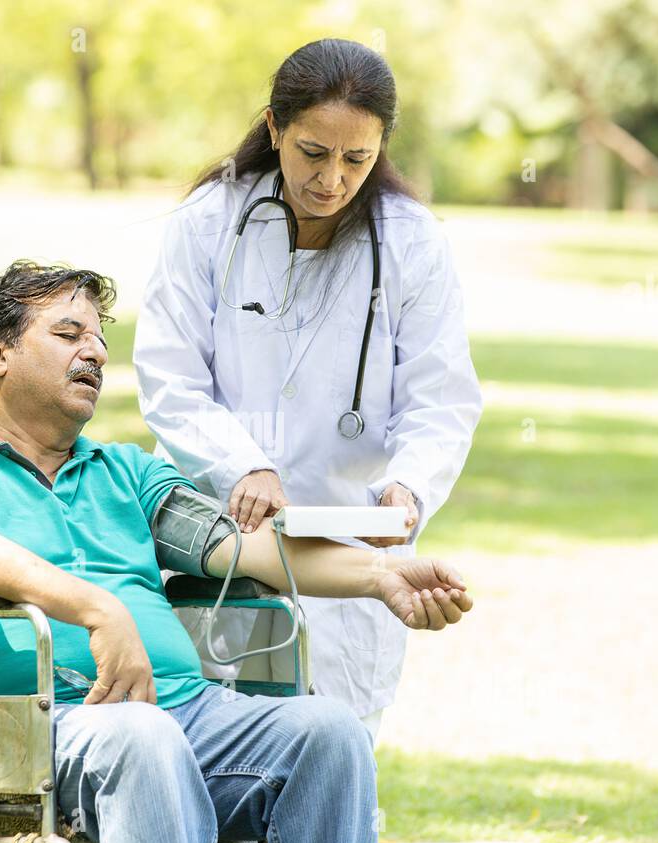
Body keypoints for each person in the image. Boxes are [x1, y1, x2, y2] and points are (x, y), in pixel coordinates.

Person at [0, 260, 474, 843]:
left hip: (181, 713)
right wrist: (95, 608)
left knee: (330, 733)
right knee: (141, 734)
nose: (97, 353)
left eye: (100, 340)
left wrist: (380, 575)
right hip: (13, 728)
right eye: (70, 334)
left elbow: (247, 549)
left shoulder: (127, 474)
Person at [133, 38, 483, 742]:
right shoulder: (208, 221)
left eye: (358, 158)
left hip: (354, 540)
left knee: (335, 764)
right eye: (313, 152)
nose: (333, 180)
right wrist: (243, 464)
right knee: (216, 767)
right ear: (274, 128)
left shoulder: (412, 242)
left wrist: (409, 487)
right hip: (228, 539)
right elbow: (170, 375)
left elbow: (440, 397)